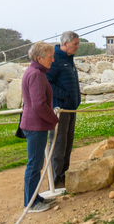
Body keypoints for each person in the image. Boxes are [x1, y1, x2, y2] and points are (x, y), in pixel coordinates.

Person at [21, 41, 60, 213]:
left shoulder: (34, 71)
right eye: (50, 57)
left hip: (35, 124)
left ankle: (34, 197)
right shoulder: (36, 74)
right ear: (40, 58)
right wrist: (54, 118)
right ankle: (31, 203)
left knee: (36, 164)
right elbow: (38, 105)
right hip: (36, 125)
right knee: (34, 165)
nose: (52, 60)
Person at [45, 31, 81, 188]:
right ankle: (56, 179)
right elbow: (47, 82)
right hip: (60, 110)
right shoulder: (56, 59)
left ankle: (64, 175)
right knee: (58, 144)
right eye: (75, 44)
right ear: (65, 44)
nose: (77, 47)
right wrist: (64, 96)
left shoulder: (69, 59)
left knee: (67, 144)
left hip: (71, 109)